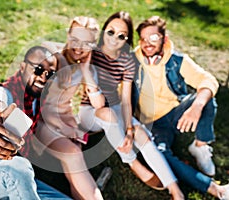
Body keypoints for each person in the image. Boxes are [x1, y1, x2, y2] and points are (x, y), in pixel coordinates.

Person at [77, 11, 183, 199]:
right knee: (107, 113)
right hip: (90, 111)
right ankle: (132, 162)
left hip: (115, 107)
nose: (114, 39)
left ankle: (175, 190)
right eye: (111, 32)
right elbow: (96, 101)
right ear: (103, 31)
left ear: (127, 39)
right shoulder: (91, 52)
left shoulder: (127, 60)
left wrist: (128, 129)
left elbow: (125, 98)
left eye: (121, 36)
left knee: (141, 133)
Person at [133, 15, 229, 199]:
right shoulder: (132, 62)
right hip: (153, 124)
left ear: (164, 39)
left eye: (153, 38)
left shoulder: (176, 59)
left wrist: (197, 106)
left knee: (206, 98)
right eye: (144, 39)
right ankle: (216, 190)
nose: (147, 43)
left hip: (176, 113)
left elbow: (208, 80)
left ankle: (200, 145)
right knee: (161, 155)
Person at [0, 46, 71, 199]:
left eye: (50, 74)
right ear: (22, 67)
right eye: (38, 69)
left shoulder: (39, 97)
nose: (43, 77)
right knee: (20, 167)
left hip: (23, 179)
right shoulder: (6, 91)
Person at [32, 16, 104, 200]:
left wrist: (87, 71)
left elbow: (98, 105)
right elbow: (33, 100)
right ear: (68, 35)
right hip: (40, 121)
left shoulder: (86, 68)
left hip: (66, 121)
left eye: (86, 43)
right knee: (73, 154)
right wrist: (62, 127)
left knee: (74, 162)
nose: (79, 48)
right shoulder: (49, 55)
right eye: (75, 39)